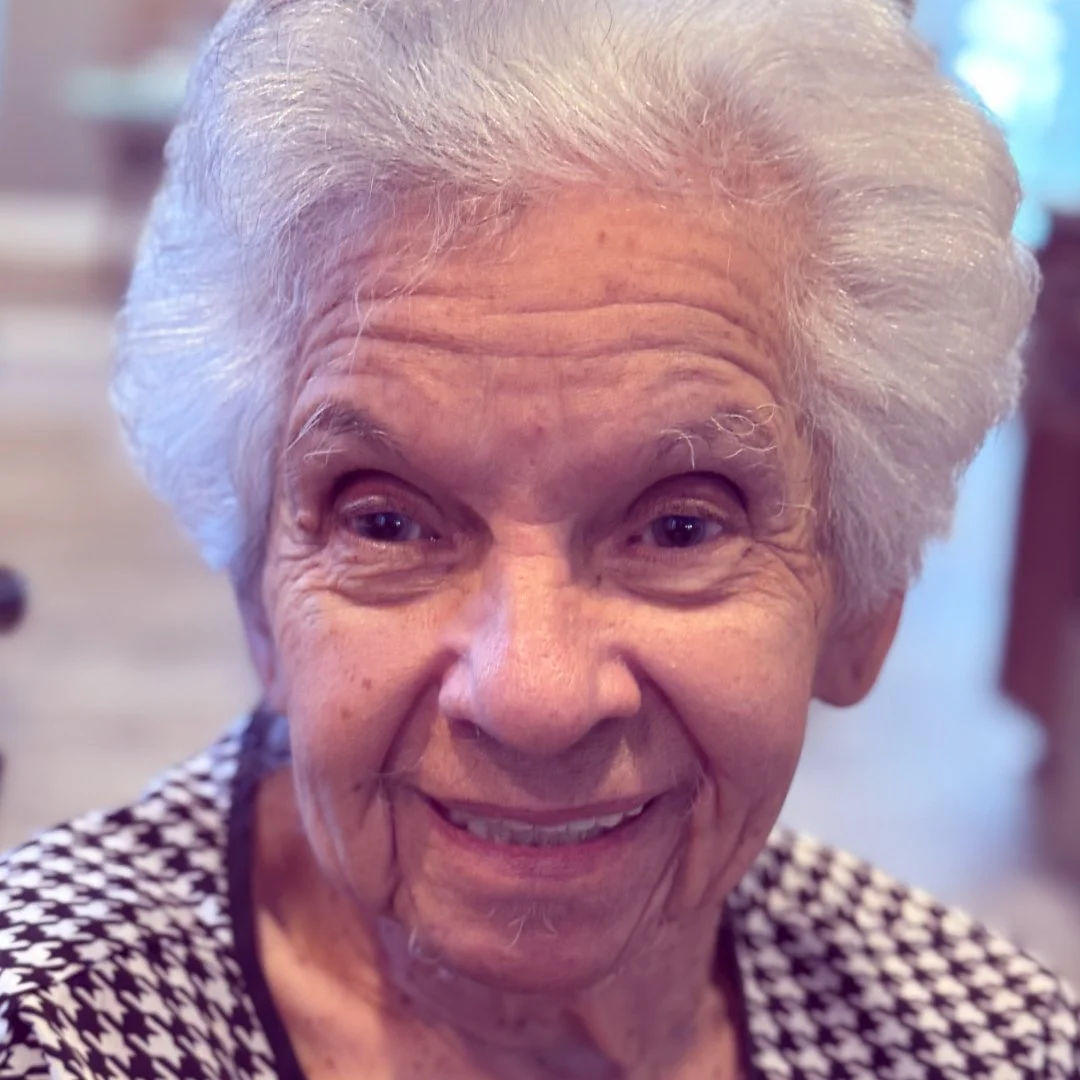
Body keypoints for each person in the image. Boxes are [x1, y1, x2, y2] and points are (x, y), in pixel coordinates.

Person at [1, 0, 1076, 1076]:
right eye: (385, 522)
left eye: (680, 528)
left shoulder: (995, 1045)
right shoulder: (43, 1035)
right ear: (260, 606)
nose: (533, 697)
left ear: (862, 604)